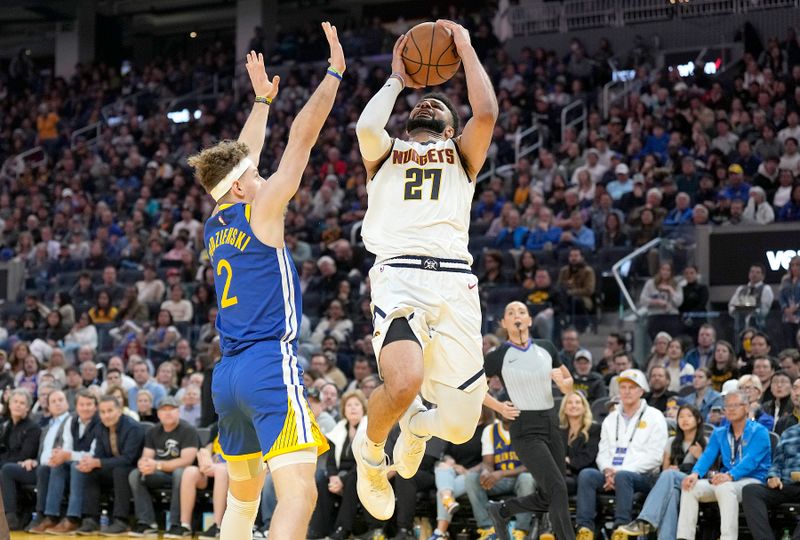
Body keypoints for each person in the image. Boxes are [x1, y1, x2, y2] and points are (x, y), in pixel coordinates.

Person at [187, 25, 343, 540]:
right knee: (301, 492)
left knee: (244, 496)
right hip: (266, 366)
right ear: (238, 187)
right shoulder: (263, 208)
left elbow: (240, 158)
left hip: (226, 377)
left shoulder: (217, 221)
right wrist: (334, 73)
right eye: (251, 173)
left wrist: (260, 101)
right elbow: (303, 136)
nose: (259, 171)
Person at [353, 19, 497, 520]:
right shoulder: (386, 152)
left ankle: (415, 427)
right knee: (404, 380)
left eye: (440, 104)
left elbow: (488, 110)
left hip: (456, 283)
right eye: (423, 102)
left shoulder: (462, 157)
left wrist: (466, 48)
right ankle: (369, 457)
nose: (429, 103)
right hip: (399, 278)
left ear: (452, 129)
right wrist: (397, 78)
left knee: (459, 427)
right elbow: (366, 126)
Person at [482, 301, 575, 540]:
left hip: (551, 424)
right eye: (510, 312)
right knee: (557, 488)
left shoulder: (547, 347)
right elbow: (474, 390)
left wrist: (563, 384)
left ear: (530, 320)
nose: (517, 316)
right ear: (504, 323)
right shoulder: (498, 355)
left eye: (522, 312)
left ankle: (501, 510)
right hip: (524, 428)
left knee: (550, 494)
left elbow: (569, 384)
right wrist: (499, 406)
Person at [574, 369, 668, 540]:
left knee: (624, 476)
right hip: (613, 474)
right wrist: (607, 470)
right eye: (623, 387)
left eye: (632, 387)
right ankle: (585, 528)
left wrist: (620, 472)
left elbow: (655, 457)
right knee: (587, 475)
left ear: (642, 391)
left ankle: (621, 527)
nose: (626, 391)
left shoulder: (655, 416)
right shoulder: (611, 418)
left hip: (644, 477)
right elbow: (602, 452)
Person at [676, 389, 771, 540]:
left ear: (746, 408)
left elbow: (751, 461)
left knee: (725, 487)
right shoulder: (719, 432)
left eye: (736, 405)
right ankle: (684, 537)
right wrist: (695, 474)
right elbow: (707, 455)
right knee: (690, 487)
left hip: (753, 480)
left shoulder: (760, 432)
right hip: (725, 481)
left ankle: (728, 538)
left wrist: (730, 475)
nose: (731, 409)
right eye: (727, 406)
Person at [615, 404, 707, 540]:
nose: (684, 420)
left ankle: (645, 521)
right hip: (675, 483)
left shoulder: (706, 442)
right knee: (672, 492)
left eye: (689, 416)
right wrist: (670, 469)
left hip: (695, 483)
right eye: (681, 416)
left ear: (698, 420)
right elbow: (665, 470)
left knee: (669, 477)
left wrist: (700, 456)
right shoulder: (671, 442)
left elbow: (712, 472)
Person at [128, 395, 200, 536]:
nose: (168, 412)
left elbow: (187, 461)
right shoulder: (153, 431)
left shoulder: (188, 430)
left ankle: (176, 523)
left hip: (187, 476)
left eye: (172, 409)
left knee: (180, 473)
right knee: (135, 474)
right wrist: (143, 465)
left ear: (178, 411)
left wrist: (158, 465)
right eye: (164, 409)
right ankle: (147, 522)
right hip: (161, 473)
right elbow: (146, 456)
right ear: (158, 414)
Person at [76, 394, 145, 535]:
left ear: (119, 411)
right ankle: (91, 519)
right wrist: (90, 463)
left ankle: (121, 520)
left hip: (134, 468)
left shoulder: (133, 428)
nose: (106, 416)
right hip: (113, 466)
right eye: (102, 412)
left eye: (110, 411)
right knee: (91, 471)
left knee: (120, 470)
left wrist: (98, 462)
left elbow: (128, 459)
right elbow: (99, 455)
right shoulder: (100, 427)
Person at [428, 407, 493, 540]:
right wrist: (451, 462)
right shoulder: (461, 428)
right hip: (454, 473)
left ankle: (440, 532)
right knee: (442, 466)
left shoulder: (487, 430)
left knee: (443, 490)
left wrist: (468, 471)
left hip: (474, 476)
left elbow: (487, 462)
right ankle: (447, 500)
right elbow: (447, 453)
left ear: (485, 411)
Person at [464, 417, 535, 540]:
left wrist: (501, 473)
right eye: (505, 407)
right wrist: (486, 472)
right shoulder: (490, 430)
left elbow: (529, 466)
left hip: (519, 479)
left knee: (527, 478)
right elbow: (487, 463)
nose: (507, 411)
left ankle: (520, 531)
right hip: (498, 481)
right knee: (471, 479)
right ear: (499, 410)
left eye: (511, 407)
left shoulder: (527, 430)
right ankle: (488, 529)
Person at [742, 423, 800, 540]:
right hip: (787, 485)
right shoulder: (789, 433)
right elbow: (777, 464)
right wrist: (772, 477)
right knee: (750, 491)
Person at [173, 423, 228, 539]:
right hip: (211, 470)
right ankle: (185, 525)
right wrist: (205, 463)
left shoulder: (247, 424)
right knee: (190, 472)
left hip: (231, 472)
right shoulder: (217, 425)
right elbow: (206, 449)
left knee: (220, 471)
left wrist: (219, 466)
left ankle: (217, 525)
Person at [559, 392, 600, 496]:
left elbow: (587, 457)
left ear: (584, 407)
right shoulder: (559, 431)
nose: (573, 406)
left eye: (578, 402)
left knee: (556, 483)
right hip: (562, 474)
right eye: (569, 403)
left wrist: (567, 461)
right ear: (564, 408)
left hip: (582, 476)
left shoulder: (594, 429)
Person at [728, 263, 774, 333]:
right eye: (752, 272)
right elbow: (731, 306)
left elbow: (764, 310)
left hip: (758, 326)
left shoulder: (766, 289)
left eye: (757, 272)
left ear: (763, 276)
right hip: (740, 326)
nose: (754, 274)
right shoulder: (741, 289)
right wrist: (738, 311)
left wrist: (752, 312)